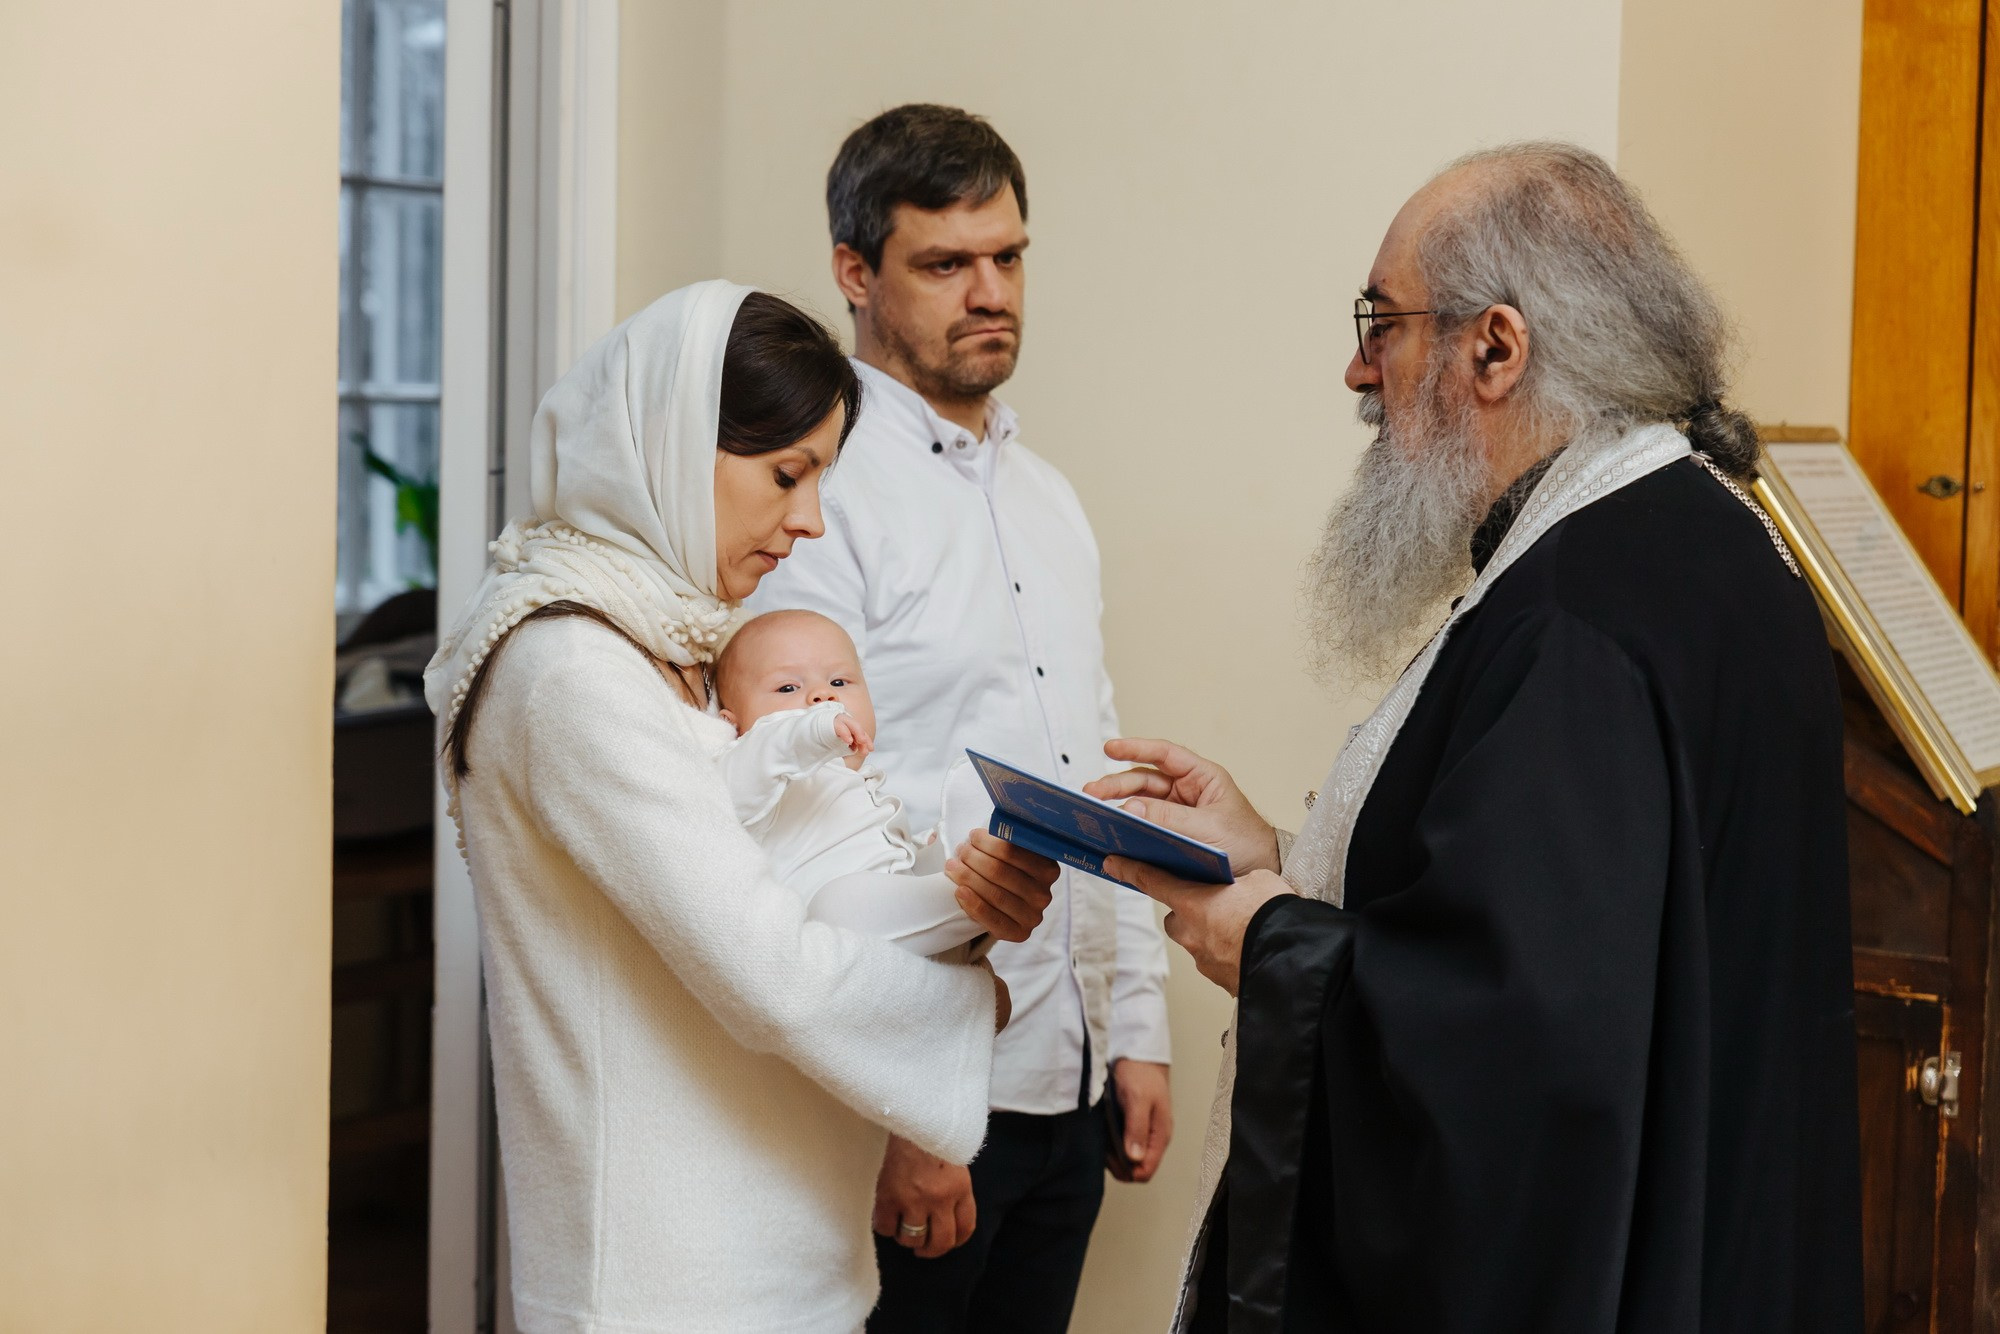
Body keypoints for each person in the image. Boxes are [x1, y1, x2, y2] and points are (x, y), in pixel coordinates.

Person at [1087, 144, 1864, 1332]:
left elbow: (1516, 1042)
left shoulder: (1573, 618)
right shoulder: (1689, 541)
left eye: (1381, 322)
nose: (1356, 367)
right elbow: (1561, 923)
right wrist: (1283, 853)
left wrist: (1271, 942)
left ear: (1495, 348)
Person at [424, 280, 1060, 1333]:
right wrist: (967, 1005)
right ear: (671, 447)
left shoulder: (675, 644)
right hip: (663, 1282)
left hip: (777, 1254)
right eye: (785, 474)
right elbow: (767, 969)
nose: (806, 521)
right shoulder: (567, 668)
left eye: (821, 477)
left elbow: (802, 882)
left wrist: (951, 913)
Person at [747, 104, 1174, 1332]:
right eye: (945, 263)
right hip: (925, 1089)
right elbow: (807, 821)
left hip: (1067, 1069)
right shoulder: (815, 496)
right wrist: (896, 1106)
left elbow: (1092, 761)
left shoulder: (1048, 499)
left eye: (1008, 257)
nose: (989, 291)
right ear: (854, 273)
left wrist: (1130, 1025)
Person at [713, 608, 996, 960]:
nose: (823, 695)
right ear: (733, 725)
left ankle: (982, 864)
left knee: (946, 853)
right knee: (836, 905)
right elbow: (745, 771)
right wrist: (812, 730)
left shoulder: (866, 789)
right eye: (788, 687)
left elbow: (890, 875)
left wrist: (927, 852)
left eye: (839, 682)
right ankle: (981, 895)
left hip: (906, 933)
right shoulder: (755, 769)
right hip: (827, 939)